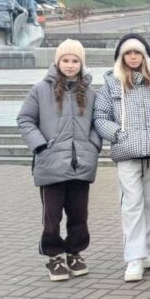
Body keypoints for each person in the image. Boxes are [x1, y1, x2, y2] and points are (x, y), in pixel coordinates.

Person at [94, 33, 150, 282]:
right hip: (126, 152)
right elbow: (100, 116)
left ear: (144, 55)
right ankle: (133, 258)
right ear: (121, 57)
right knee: (131, 204)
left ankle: (147, 250)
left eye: (137, 53)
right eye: (128, 53)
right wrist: (117, 134)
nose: (132, 57)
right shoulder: (111, 83)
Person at [17, 40, 101, 281]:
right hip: (51, 164)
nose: (70, 65)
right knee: (52, 217)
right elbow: (25, 119)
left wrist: (92, 146)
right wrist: (41, 146)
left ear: (82, 63)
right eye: (65, 60)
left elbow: (97, 123)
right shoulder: (40, 90)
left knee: (79, 215)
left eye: (75, 61)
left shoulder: (91, 93)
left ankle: (75, 252)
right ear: (58, 62)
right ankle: (54, 256)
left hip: (80, 164)